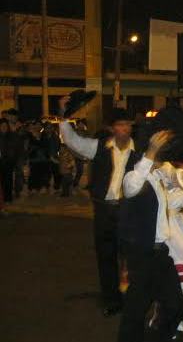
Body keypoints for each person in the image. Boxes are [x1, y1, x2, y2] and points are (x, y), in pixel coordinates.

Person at [116, 130, 183, 342]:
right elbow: (133, 185)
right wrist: (151, 152)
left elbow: (175, 187)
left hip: (161, 252)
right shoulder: (132, 178)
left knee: (175, 305)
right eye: (157, 156)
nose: (161, 161)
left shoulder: (157, 176)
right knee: (136, 311)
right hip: (142, 254)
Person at [57, 97, 140, 317]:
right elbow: (73, 141)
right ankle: (111, 299)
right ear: (113, 129)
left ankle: (134, 297)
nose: (124, 129)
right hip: (105, 209)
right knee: (106, 255)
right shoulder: (99, 147)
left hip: (129, 211)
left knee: (132, 256)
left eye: (127, 125)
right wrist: (64, 117)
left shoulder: (140, 152)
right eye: (120, 125)